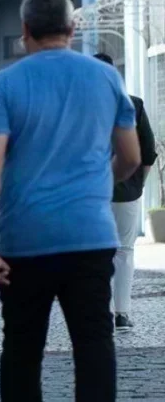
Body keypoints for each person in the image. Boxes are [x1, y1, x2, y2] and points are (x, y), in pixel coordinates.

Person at [0, 0, 141, 401]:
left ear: (25, 30)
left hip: (24, 239)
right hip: (90, 235)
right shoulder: (105, 77)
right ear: (72, 27)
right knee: (94, 342)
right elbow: (132, 157)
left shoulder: (7, 83)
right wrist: (98, 187)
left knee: (22, 347)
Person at [93, 53, 158, 330]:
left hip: (90, 192)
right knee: (124, 251)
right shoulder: (134, 104)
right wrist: (138, 183)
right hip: (127, 190)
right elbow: (148, 152)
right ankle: (121, 313)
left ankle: (98, 311)